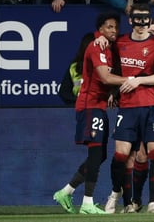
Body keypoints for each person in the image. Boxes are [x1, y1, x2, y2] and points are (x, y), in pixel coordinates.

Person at [53, 12, 134, 214]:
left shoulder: (107, 48)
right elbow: (105, 78)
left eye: (115, 27)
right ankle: (87, 203)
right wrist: (134, 80)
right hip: (90, 106)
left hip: (98, 106)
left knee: (100, 155)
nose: (113, 31)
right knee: (96, 153)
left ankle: (66, 191)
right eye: (109, 27)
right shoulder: (96, 46)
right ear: (100, 29)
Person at [104, 3, 154, 214]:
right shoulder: (120, 42)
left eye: (145, 20)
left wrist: (138, 80)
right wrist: (114, 90)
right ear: (131, 20)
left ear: (149, 21)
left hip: (152, 105)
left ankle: (152, 203)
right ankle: (117, 195)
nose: (141, 25)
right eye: (137, 20)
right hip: (128, 106)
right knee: (121, 156)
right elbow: (113, 69)